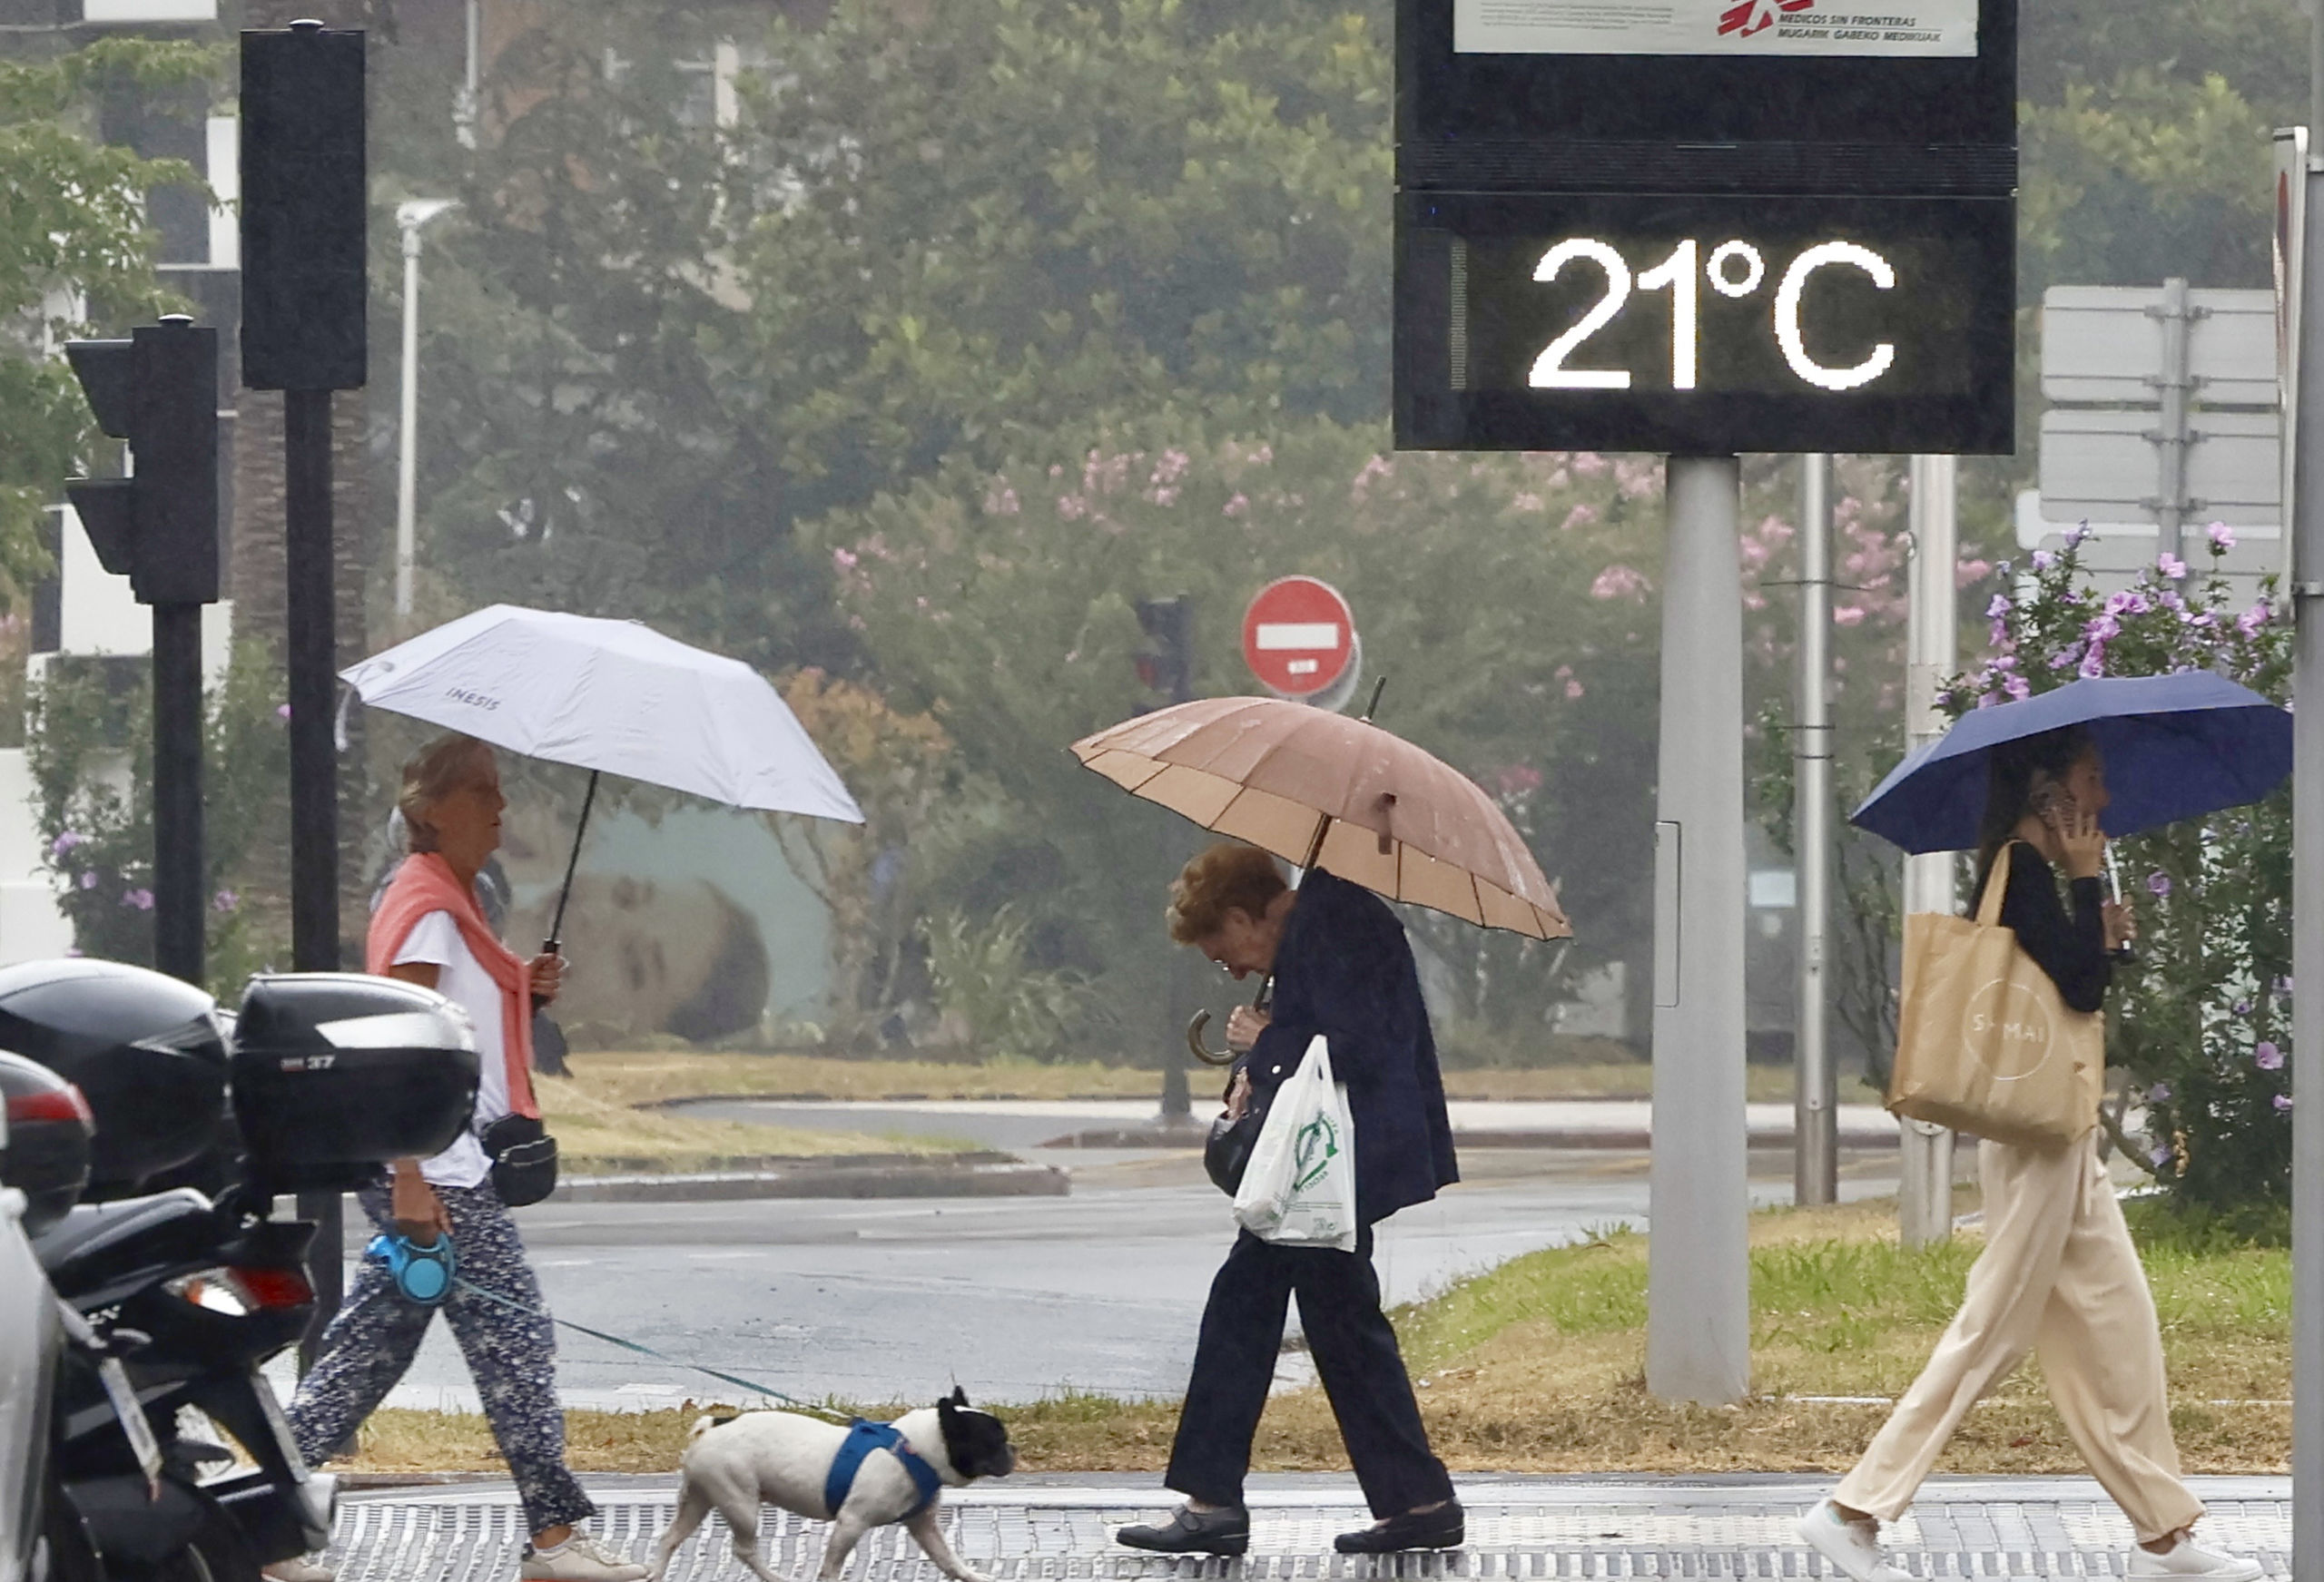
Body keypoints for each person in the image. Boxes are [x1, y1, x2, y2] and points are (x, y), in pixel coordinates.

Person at [1798, 727, 2261, 1582]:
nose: (2104, 797)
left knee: (2120, 1324)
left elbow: (2076, 975)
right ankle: (1851, 1509)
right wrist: (2086, 887)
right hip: (2034, 1138)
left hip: (2065, 1134)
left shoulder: (2035, 876)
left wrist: (2102, 928)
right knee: (1994, 1329)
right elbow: (2077, 988)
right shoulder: (2024, 870)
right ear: (2050, 794)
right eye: (2092, 778)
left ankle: (2163, 1533)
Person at [271, 735, 646, 1582]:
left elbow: (458, 1024)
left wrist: (521, 988)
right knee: (517, 1340)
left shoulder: (453, 901)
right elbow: (398, 1044)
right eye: (483, 790)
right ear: (435, 809)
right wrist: (409, 1175)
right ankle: (554, 1540)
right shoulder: (430, 907)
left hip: (440, 1164)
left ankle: (257, 1521)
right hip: (435, 1169)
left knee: (367, 1354)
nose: (500, 807)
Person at [1117, 842, 1462, 1558]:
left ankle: (1214, 1503)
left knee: (1249, 1310)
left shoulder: (1335, 925)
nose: (1233, 969)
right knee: (1340, 1324)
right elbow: (1331, 1038)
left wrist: (1269, 1040)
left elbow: (1366, 1048)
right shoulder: (1322, 923)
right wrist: (1259, 1061)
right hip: (1328, 1165)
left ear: (1243, 916)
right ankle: (1417, 1501)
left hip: (1332, 1165)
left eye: (1224, 952)